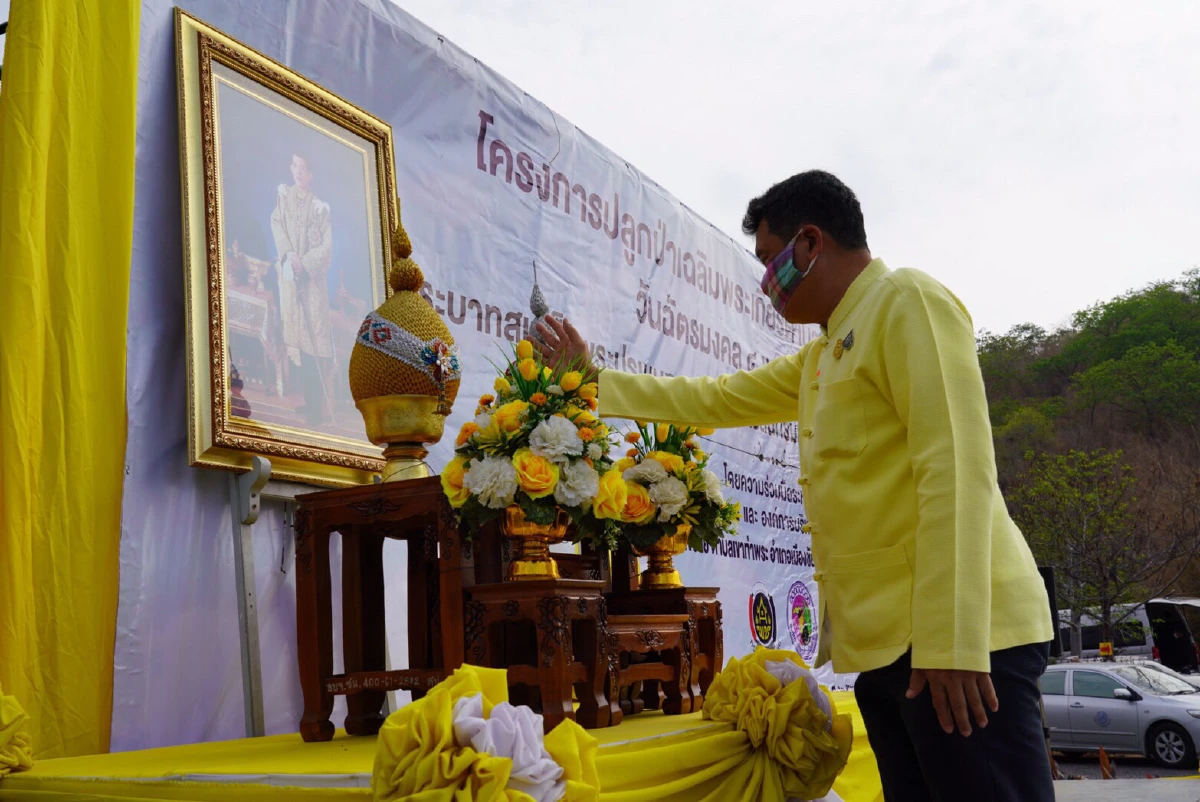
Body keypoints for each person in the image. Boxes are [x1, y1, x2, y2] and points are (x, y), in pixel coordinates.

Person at [535, 170, 1055, 801]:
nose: (765, 285)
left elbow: (957, 471)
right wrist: (592, 382)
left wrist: (952, 643)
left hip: (965, 646)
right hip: (896, 653)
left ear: (809, 244)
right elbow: (714, 399)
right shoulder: (822, 356)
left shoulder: (905, 301)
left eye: (769, 261)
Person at [270, 151, 335, 425]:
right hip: (291, 282)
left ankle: (317, 410)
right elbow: (277, 224)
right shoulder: (283, 198)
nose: (297, 171)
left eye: (303, 167)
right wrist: (287, 254)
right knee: (298, 339)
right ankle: (309, 403)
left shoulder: (320, 208)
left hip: (311, 286)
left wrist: (303, 263)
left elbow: (326, 248)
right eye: (294, 164)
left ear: (311, 174)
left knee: (313, 345)